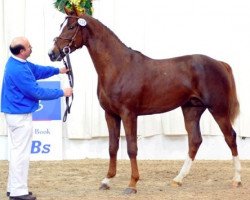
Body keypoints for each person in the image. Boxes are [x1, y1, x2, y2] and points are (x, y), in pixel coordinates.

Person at [1, 36, 73, 200]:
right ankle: (18, 192)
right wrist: (63, 92)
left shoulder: (18, 63)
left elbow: (37, 71)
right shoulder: (18, 70)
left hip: (15, 113)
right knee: (21, 154)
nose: (31, 47)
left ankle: (13, 188)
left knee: (17, 152)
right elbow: (37, 92)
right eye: (28, 46)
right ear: (21, 51)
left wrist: (58, 70)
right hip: (19, 116)